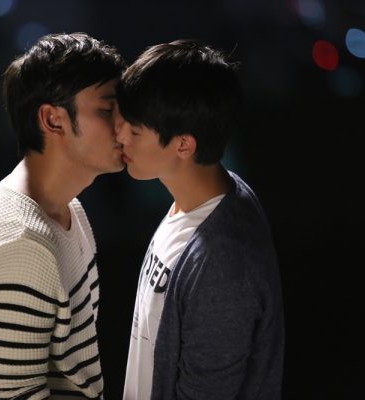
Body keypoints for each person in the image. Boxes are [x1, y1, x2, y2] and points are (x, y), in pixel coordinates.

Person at [0, 33, 126, 400]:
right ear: (52, 119)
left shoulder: (67, 208)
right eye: (107, 110)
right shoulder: (20, 244)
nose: (124, 125)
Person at [115, 40, 285, 400]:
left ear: (183, 145)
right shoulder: (200, 197)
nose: (120, 135)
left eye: (135, 130)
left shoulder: (222, 260)